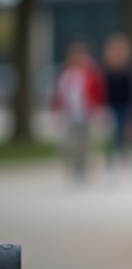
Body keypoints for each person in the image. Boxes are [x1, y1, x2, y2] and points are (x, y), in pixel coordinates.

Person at [52, 40, 106, 182]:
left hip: (86, 114)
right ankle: (75, 167)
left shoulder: (91, 73)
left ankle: (83, 170)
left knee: (85, 144)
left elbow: (98, 93)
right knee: (68, 145)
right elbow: (58, 94)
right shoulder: (65, 72)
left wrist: (99, 111)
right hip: (69, 115)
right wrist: (57, 111)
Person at [101, 33, 132, 174]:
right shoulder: (107, 72)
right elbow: (105, 93)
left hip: (126, 107)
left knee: (129, 136)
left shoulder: (128, 71)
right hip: (113, 108)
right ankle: (111, 166)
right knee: (114, 137)